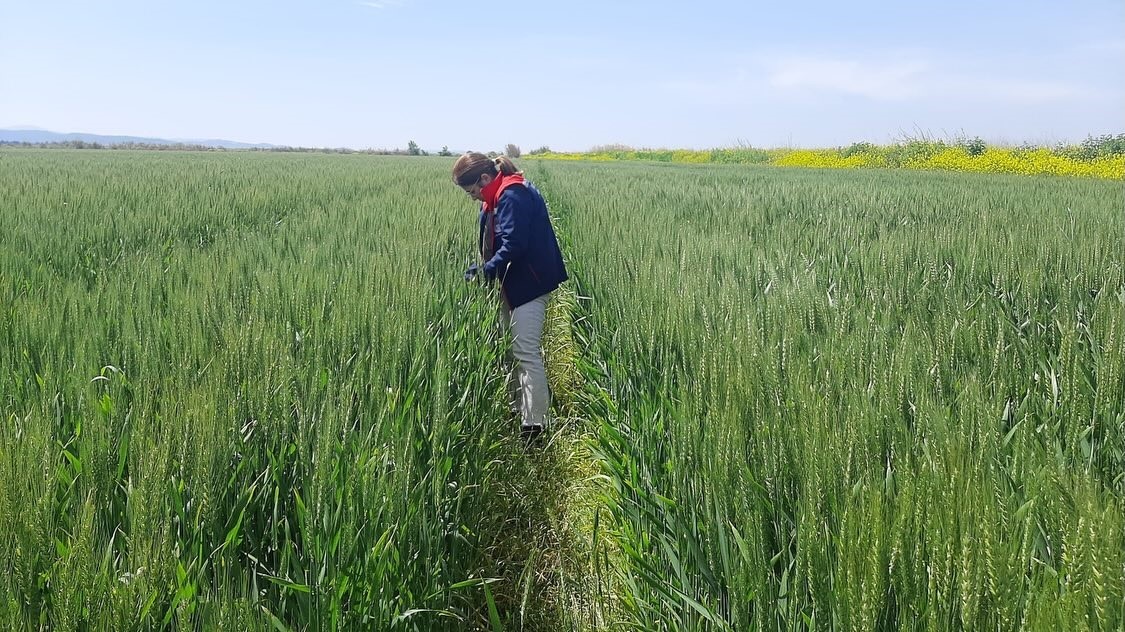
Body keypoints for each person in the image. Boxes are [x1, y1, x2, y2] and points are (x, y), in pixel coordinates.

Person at [453, 152, 568, 441]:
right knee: (510, 352)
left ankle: (534, 428)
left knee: (525, 354)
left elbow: (514, 245)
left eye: (471, 191)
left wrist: (486, 271)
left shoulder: (512, 195)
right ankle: (519, 409)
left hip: (529, 285)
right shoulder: (496, 196)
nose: (471, 197)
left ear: (484, 178)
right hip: (511, 284)